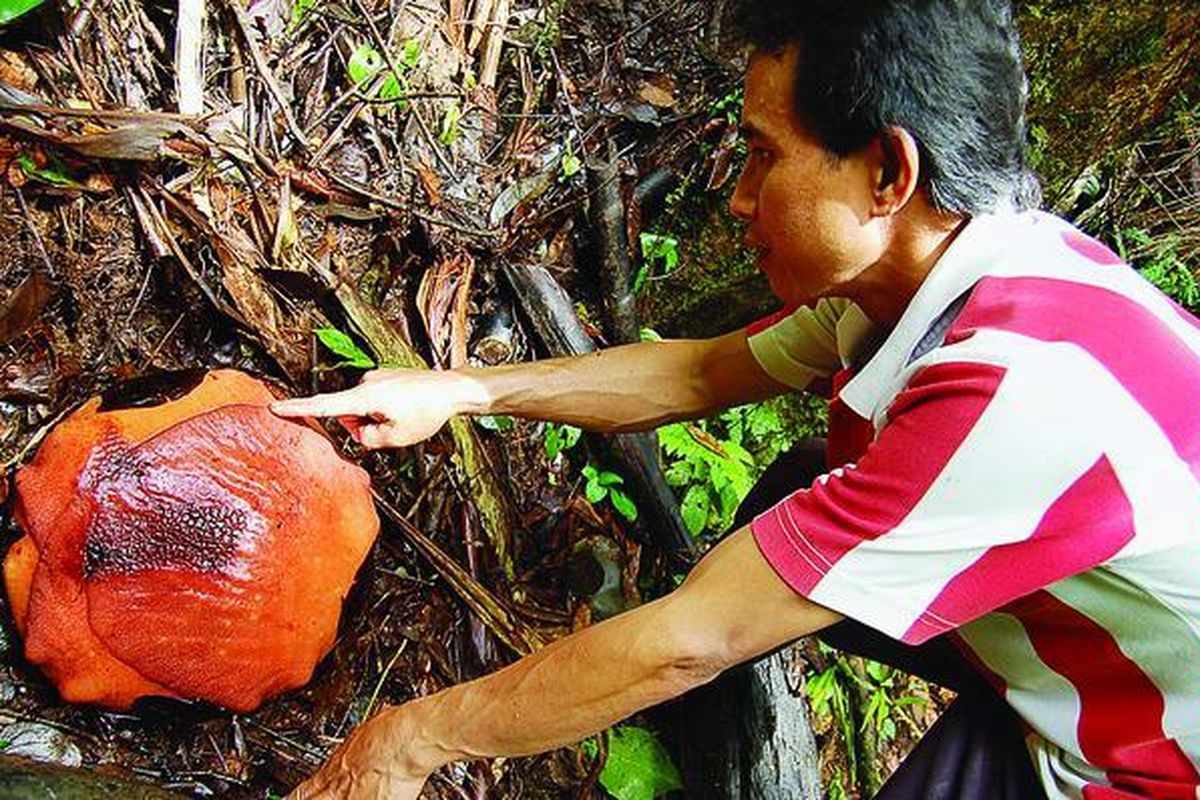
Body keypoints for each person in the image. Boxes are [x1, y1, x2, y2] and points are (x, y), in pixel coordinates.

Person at [273, 1, 1200, 797]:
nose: (738, 200)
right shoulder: (936, 272)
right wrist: (462, 390)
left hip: (1144, 751)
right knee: (803, 484)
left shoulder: (1016, 396)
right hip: (1071, 624)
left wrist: (407, 742)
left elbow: (691, 638)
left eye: (764, 157)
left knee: (712, 621)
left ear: (889, 173)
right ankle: (696, 693)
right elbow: (701, 374)